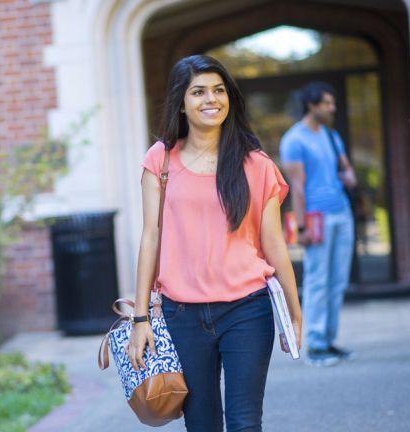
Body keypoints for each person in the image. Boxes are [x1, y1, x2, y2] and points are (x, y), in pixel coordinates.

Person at [127, 55, 302, 432]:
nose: (212, 99)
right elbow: (150, 237)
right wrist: (141, 318)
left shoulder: (256, 165)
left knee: (244, 423)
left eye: (219, 90)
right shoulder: (160, 159)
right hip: (181, 314)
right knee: (202, 424)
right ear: (181, 102)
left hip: (247, 311)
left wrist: (294, 313)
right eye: (199, 92)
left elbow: (274, 243)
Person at [279, 81, 357, 367]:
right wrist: (301, 228)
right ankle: (316, 345)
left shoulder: (332, 136)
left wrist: (348, 175)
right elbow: (296, 187)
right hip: (316, 218)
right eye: (327, 103)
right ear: (312, 105)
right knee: (318, 281)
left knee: (337, 282)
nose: (332, 108)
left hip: (342, 213)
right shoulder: (294, 140)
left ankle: (329, 340)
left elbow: (346, 168)